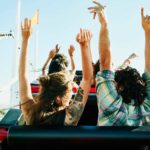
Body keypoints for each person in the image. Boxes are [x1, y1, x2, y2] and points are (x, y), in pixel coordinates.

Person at [19, 18, 93, 126]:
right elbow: (87, 79)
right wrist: (84, 46)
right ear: (58, 98)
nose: (70, 95)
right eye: (69, 92)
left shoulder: (30, 112)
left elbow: (22, 75)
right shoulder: (69, 117)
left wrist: (25, 40)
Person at [89, 1, 150, 126]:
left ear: (120, 87)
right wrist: (148, 31)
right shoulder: (147, 108)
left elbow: (105, 62)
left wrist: (104, 23)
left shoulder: (111, 106)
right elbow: (149, 67)